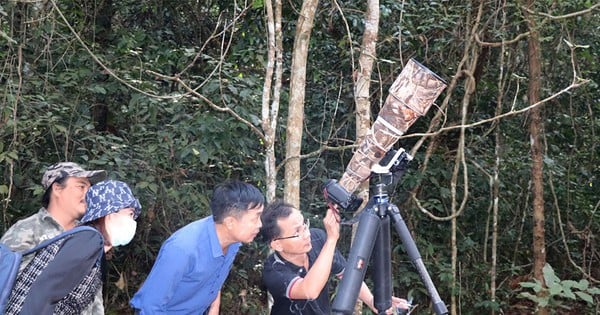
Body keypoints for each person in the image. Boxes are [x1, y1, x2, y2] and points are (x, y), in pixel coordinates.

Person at [130, 179, 265, 314]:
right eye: (255, 218)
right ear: (230, 222)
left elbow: (215, 275)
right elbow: (150, 306)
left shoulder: (233, 241)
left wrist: (214, 307)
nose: (260, 224)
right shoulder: (183, 249)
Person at [260, 200, 410, 314]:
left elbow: (347, 275)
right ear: (277, 244)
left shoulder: (317, 237)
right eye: (297, 232)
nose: (307, 234)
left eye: (304, 224)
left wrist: (372, 301)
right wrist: (332, 240)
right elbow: (309, 291)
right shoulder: (273, 271)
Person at [1, 161, 107, 314]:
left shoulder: (88, 237)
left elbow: (95, 298)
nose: (88, 194)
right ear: (57, 188)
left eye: (89, 188)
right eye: (81, 186)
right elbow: (10, 286)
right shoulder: (27, 230)